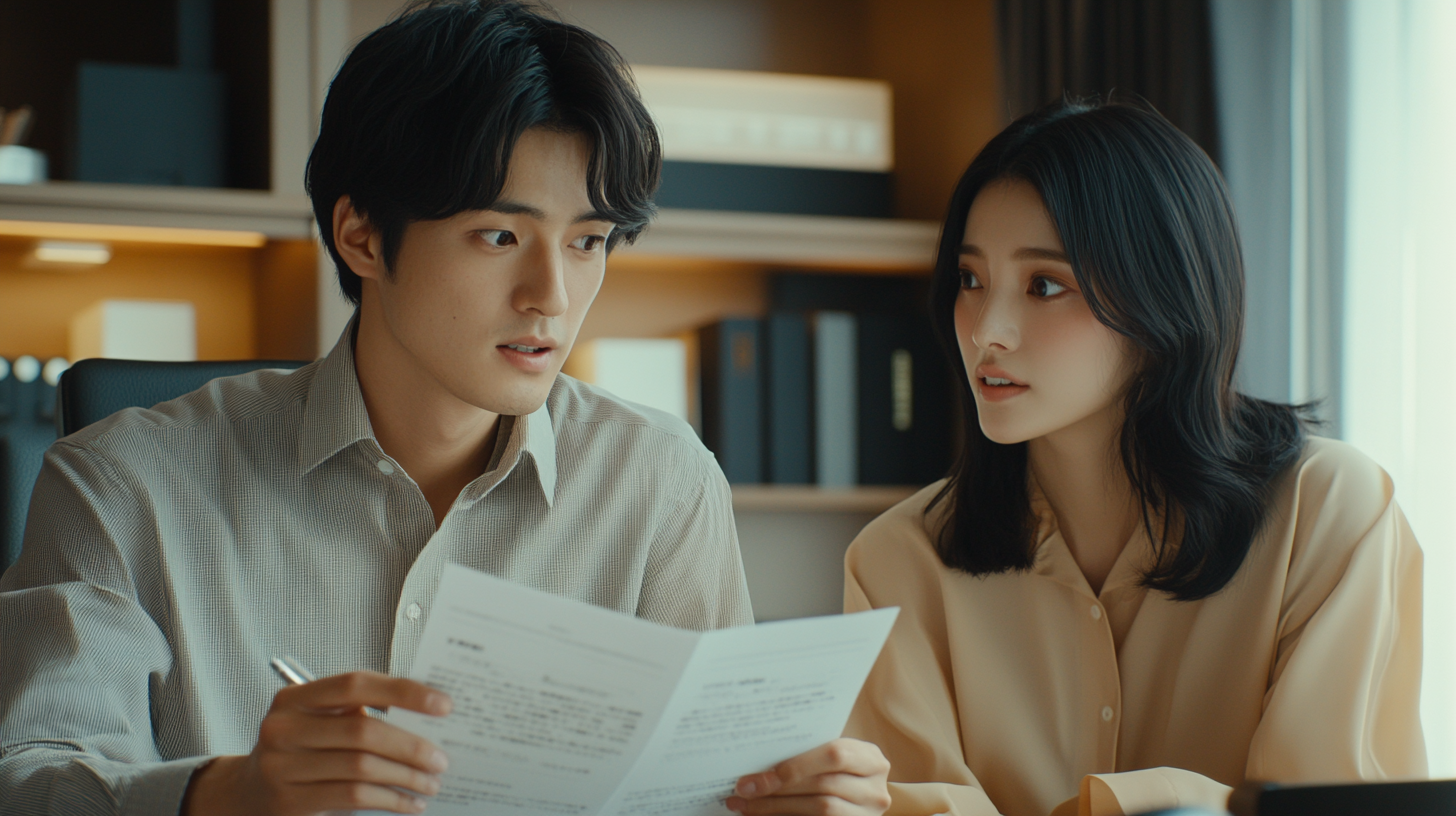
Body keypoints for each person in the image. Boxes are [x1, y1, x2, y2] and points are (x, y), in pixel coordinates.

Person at [0, 3, 772, 814]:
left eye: (587, 242)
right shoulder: (123, 484)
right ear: (361, 236)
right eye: (500, 238)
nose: (552, 296)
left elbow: (711, 786)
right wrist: (229, 792)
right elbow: (27, 781)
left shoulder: (661, 483)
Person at [829, 99, 1426, 816]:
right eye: (969, 279)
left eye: (1044, 285)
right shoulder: (897, 559)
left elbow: (1319, 807)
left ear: (1162, 295)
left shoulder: (1327, 512)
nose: (988, 330)